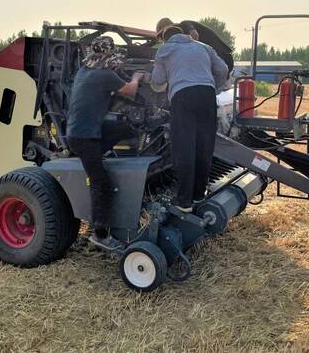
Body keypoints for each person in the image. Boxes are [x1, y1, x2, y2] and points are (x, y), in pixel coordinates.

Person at [66, 36, 143, 249]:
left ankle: (104, 155)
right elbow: (131, 91)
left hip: (79, 132)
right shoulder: (104, 75)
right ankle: (100, 234)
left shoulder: (84, 71)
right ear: (108, 55)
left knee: (126, 127)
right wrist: (136, 77)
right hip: (85, 138)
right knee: (102, 183)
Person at [151, 24, 229, 212]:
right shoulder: (203, 47)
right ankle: (198, 195)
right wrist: (213, 87)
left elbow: (158, 80)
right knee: (204, 146)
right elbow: (224, 69)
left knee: (184, 147)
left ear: (164, 38)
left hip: (183, 97)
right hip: (207, 96)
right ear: (184, 34)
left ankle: (184, 201)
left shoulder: (165, 49)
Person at [156, 17, 234, 75]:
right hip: (222, 59)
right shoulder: (182, 37)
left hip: (222, 57)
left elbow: (194, 34)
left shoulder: (184, 24)